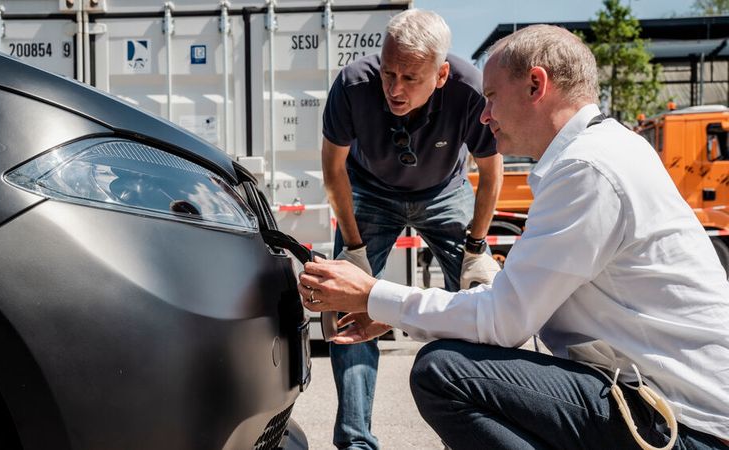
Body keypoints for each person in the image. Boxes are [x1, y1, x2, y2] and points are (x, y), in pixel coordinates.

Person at [301, 24, 729, 450]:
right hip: (672, 402)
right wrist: (395, 309)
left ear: (535, 86)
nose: (484, 116)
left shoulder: (587, 171)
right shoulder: (606, 151)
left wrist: (376, 295)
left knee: (444, 372)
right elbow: (511, 310)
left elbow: (502, 322)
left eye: (491, 98)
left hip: (681, 423)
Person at [319, 9, 503, 449]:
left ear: (440, 75)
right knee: (346, 304)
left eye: (410, 78)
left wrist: (477, 248)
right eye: (389, 73)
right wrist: (355, 251)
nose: (395, 89)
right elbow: (332, 169)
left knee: (485, 301)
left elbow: (490, 173)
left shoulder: (469, 89)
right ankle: (355, 440)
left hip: (445, 190)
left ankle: (480, 433)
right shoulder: (352, 85)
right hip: (369, 191)